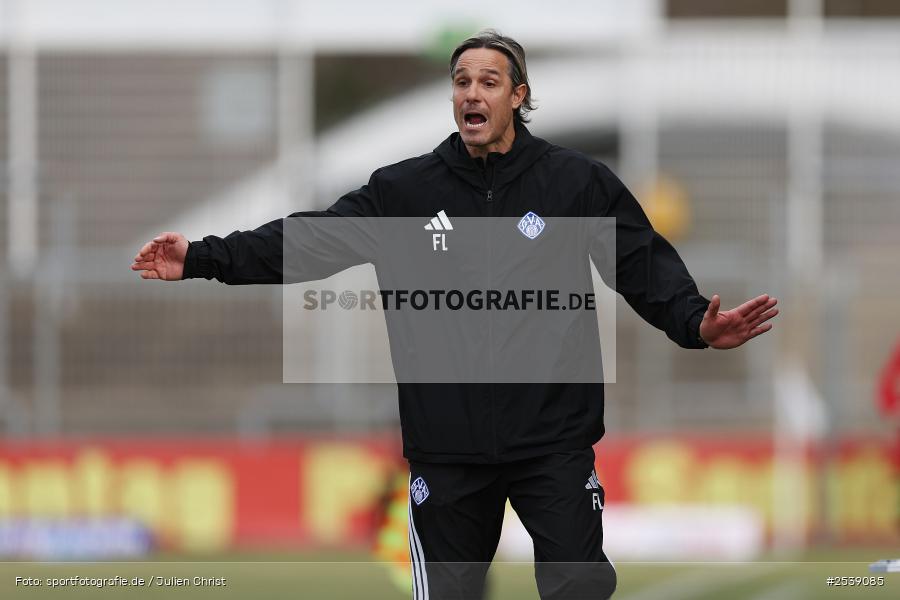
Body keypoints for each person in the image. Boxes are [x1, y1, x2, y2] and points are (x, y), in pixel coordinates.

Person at [131, 30, 778, 600]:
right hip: (447, 450)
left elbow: (640, 263)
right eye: (462, 81)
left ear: (519, 97)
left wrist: (694, 323)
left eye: (489, 81)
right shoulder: (404, 191)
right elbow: (306, 242)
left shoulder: (576, 183)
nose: (472, 92)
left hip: (552, 441)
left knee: (578, 583)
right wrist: (200, 258)